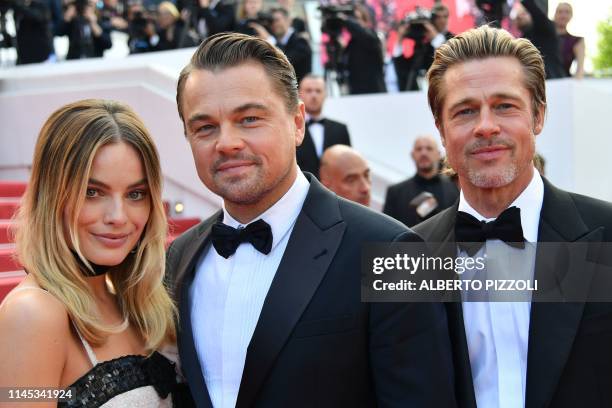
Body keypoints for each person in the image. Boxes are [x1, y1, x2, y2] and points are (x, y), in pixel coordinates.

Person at [169, 32, 456, 408]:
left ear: (298, 122)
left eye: (250, 119)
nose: (226, 142)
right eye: (205, 127)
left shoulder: (393, 253)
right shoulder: (179, 258)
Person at [414, 25, 612, 408]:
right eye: (465, 111)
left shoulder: (606, 236)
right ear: (441, 129)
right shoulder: (409, 253)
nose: (486, 126)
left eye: (505, 105)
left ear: (538, 116)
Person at [0, 99, 193, 407]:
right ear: (53, 196)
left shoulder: (135, 301)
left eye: (135, 194)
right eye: (93, 192)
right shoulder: (34, 313)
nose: (118, 216)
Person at [383, 135, 458, 227]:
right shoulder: (395, 192)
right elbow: (387, 229)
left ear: (438, 155)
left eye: (429, 148)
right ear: (412, 155)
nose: (423, 153)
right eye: (419, 149)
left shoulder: (456, 189)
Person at [296, 74, 351, 179]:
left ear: (325, 94)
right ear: (299, 94)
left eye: (318, 91)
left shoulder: (340, 129)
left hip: (335, 192)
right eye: (309, 90)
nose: (314, 95)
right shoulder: (292, 128)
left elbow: (348, 165)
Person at [393, 4, 454, 91]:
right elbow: (402, 69)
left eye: (444, 17)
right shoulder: (424, 45)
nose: (441, 21)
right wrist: (399, 39)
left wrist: (434, 36)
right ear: (432, 20)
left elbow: (449, 59)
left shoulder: (453, 39)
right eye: (438, 17)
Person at [251, 7, 312, 84]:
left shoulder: (301, 42)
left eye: (277, 20)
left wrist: (269, 39)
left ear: (289, 21)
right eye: (271, 21)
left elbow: (285, 61)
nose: (274, 24)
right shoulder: (273, 41)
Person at [341, 4, 387, 94]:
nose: (353, 22)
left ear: (366, 21)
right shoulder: (350, 44)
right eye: (352, 19)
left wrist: (347, 20)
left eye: (356, 19)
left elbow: (366, 37)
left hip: (375, 92)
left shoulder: (374, 36)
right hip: (356, 92)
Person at [513, 0, 565, 79]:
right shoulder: (524, 36)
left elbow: (536, 12)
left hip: (552, 80)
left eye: (524, 13)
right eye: (518, 15)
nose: (520, 16)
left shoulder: (545, 27)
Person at [554, 2, 585, 79]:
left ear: (571, 16)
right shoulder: (543, 37)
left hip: (564, 83)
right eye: (560, 12)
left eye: (567, 12)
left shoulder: (577, 41)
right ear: (555, 14)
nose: (563, 15)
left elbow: (580, 70)